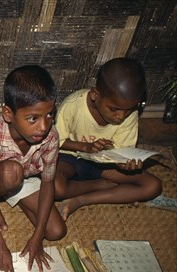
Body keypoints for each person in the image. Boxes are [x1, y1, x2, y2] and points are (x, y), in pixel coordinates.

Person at [0, 65, 67, 272]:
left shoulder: (50, 136)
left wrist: (37, 237)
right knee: (11, 173)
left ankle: (15, 197)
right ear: (8, 114)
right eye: (33, 118)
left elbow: (48, 184)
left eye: (50, 114)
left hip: (25, 180)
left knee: (55, 232)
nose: (44, 126)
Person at [54, 57, 162, 219]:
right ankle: (101, 186)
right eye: (114, 109)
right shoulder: (73, 105)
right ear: (95, 95)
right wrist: (86, 147)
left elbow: (121, 152)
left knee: (153, 186)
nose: (121, 116)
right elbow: (57, 142)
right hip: (71, 157)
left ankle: (81, 200)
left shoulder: (128, 114)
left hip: (105, 165)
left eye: (129, 109)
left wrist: (125, 165)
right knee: (56, 188)